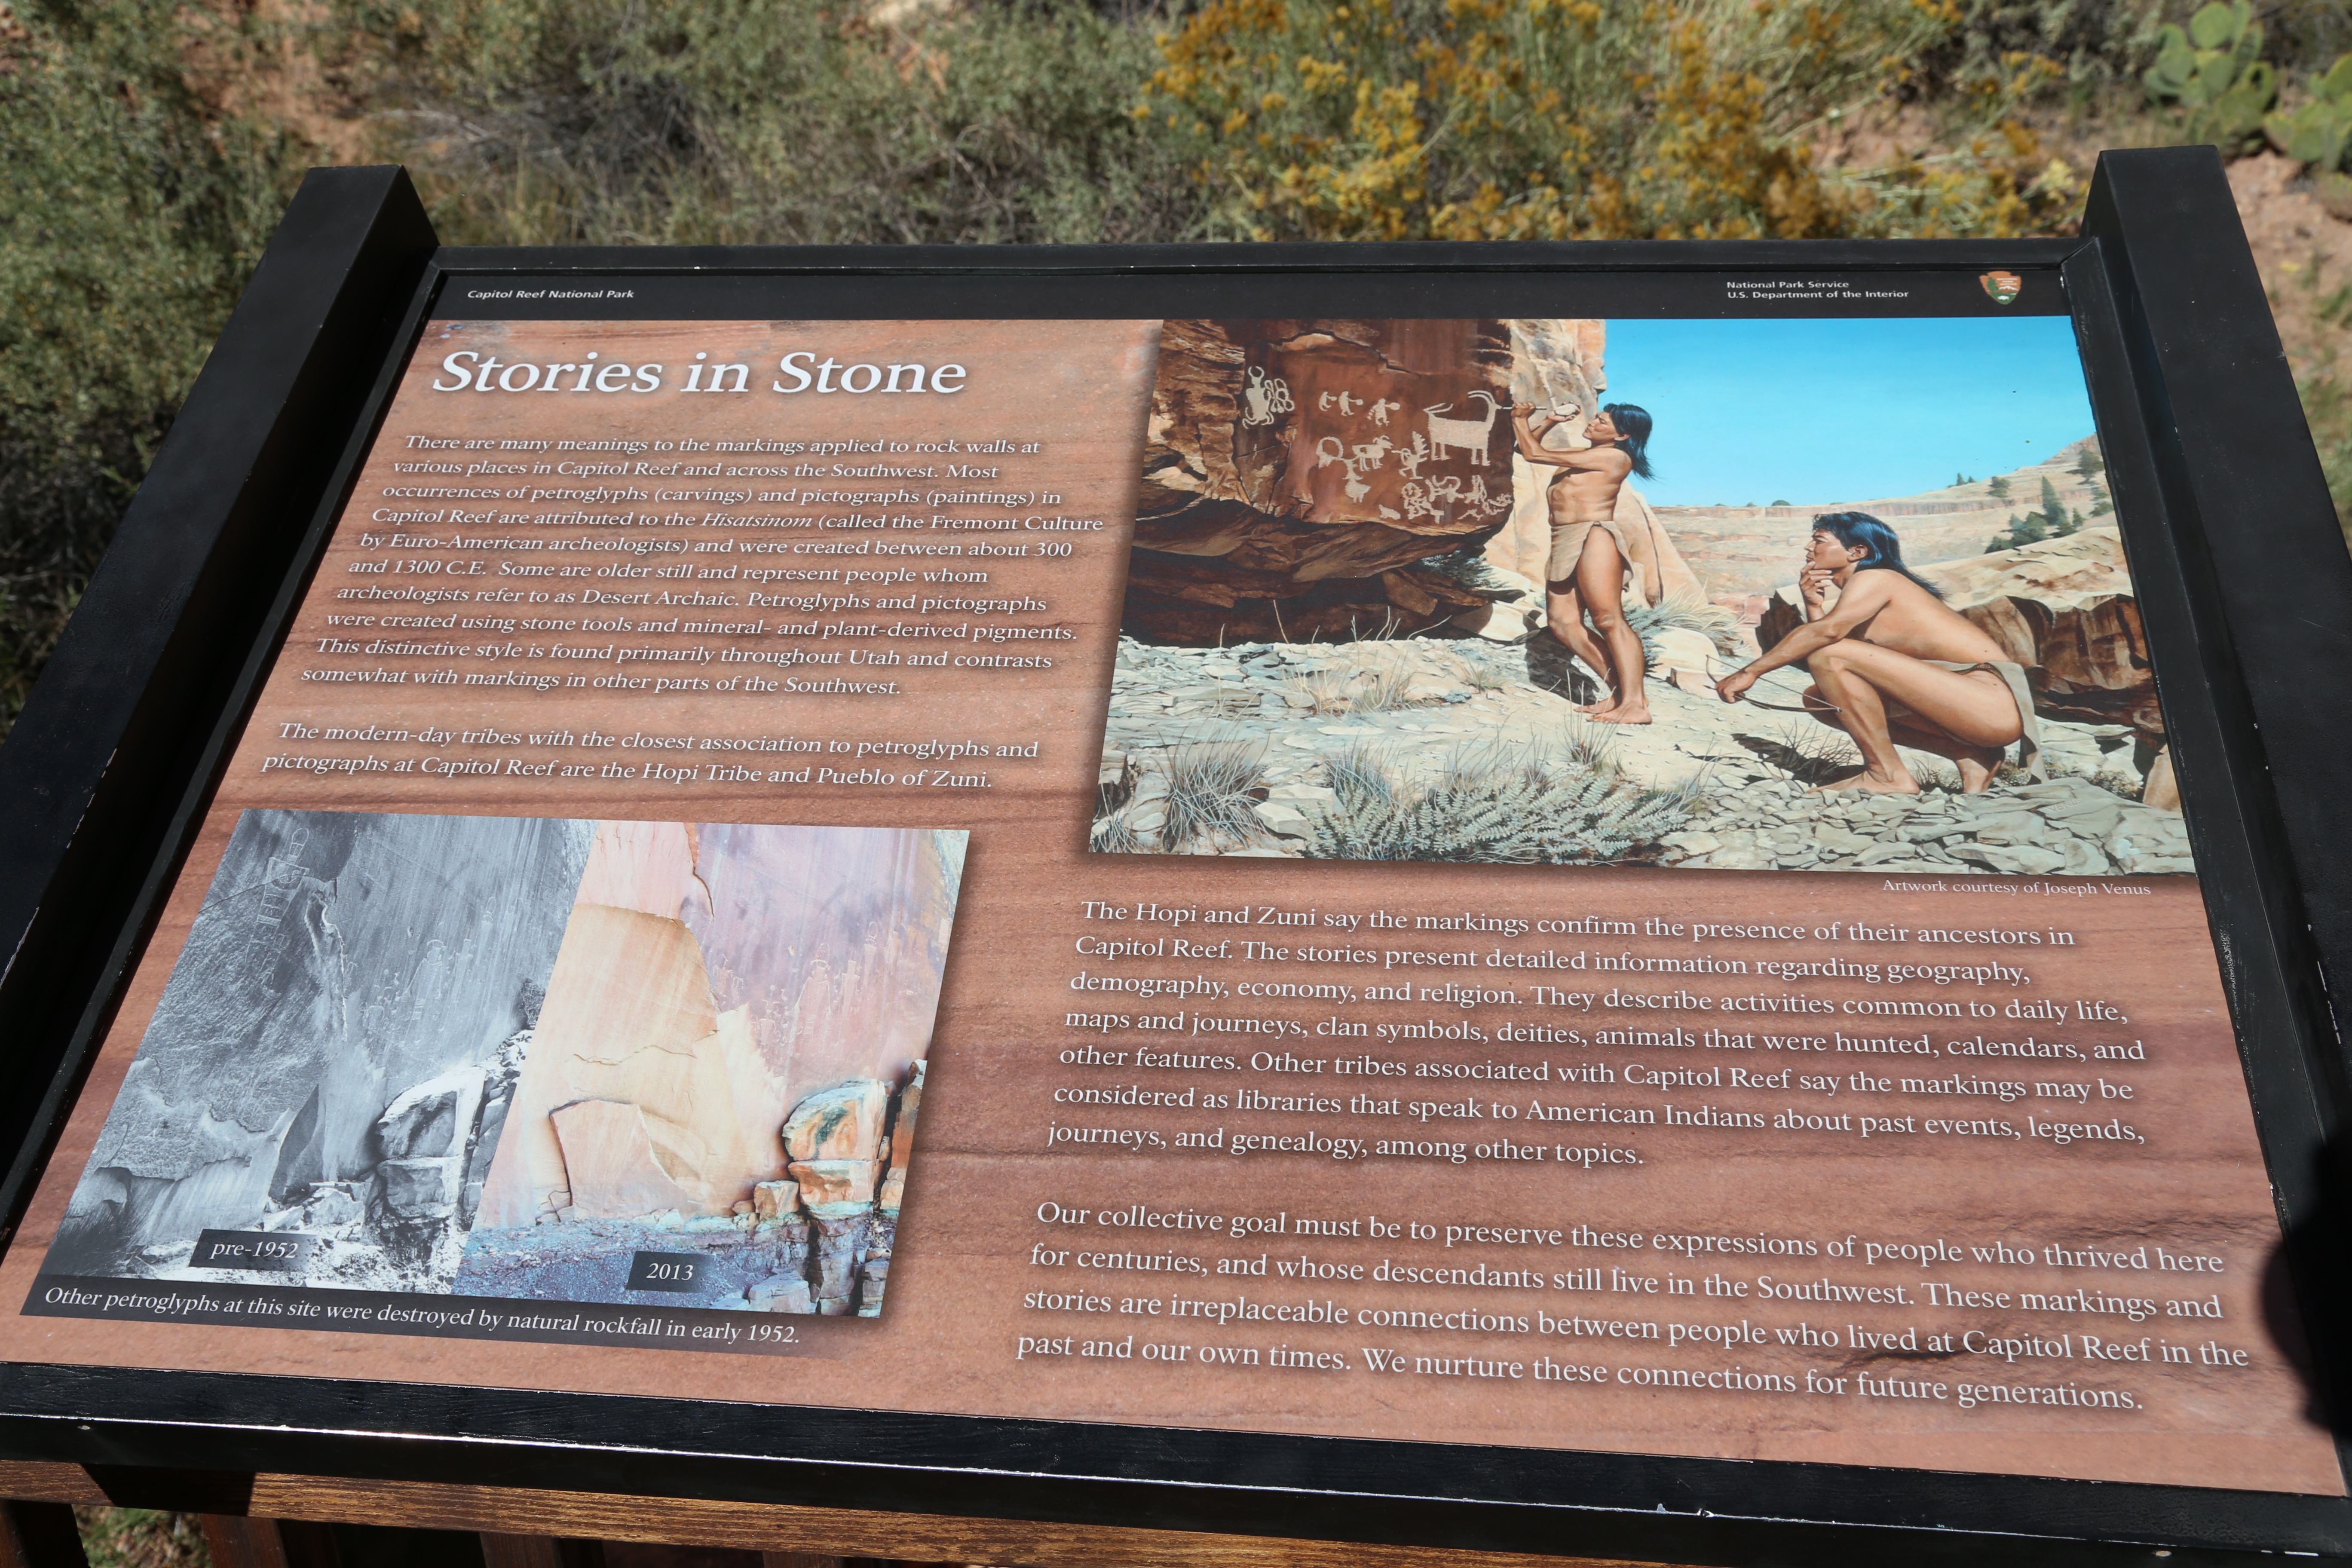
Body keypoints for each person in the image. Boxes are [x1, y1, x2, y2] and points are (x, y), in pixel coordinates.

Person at [1713, 511, 2036, 794]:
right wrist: (1814, 605)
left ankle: (1886, 775)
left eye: (1819, 540)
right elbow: (1833, 661)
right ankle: (1970, 755)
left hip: (1991, 706)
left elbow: (1829, 639)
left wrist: (1750, 672)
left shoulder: (1876, 578)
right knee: (1821, 700)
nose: (1808, 549)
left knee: (1832, 657)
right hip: (1973, 710)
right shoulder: (1865, 592)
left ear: (1858, 551)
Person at [1510, 401, 1657, 724]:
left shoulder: (1614, 457)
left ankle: (1636, 705)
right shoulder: (1585, 454)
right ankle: (1620, 697)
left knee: (1608, 619)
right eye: (1596, 418)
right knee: (1563, 623)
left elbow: (1535, 453)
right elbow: (1525, 449)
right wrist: (1548, 420)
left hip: (1594, 536)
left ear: (1622, 435)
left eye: (1603, 422)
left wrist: (1519, 418)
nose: (1593, 423)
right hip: (1564, 538)